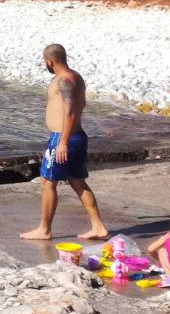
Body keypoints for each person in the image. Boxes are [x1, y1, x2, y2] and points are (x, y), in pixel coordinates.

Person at [20, 43, 108, 241]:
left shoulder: (64, 80)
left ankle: (44, 229)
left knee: (48, 182)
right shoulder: (76, 77)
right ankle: (98, 226)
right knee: (77, 181)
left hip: (63, 137)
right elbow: (81, 105)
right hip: (77, 136)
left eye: (45, 62)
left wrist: (62, 143)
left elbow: (70, 111)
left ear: (49, 61)